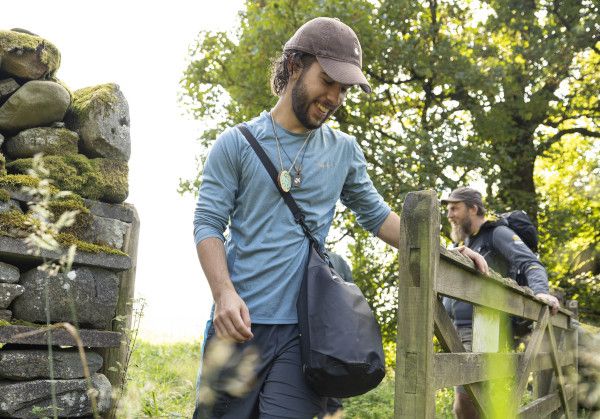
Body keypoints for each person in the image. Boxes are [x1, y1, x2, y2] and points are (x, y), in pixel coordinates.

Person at [192, 17, 487, 418]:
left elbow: (380, 217)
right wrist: (223, 292)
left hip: (307, 332)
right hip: (238, 326)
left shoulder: (344, 150)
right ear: (295, 65)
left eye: (344, 89)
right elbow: (207, 222)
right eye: (328, 81)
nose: (334, 97)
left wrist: (449, 251)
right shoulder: (236, 144)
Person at [441, 187, 560, 419]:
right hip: (459, 329)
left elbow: (530, 263)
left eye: (454, 208)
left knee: (467, 404)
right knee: (470, 404)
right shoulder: (470, 242)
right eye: (448, 209)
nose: (449, 214)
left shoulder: (496, 234)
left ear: (473, 208)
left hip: (483, 329)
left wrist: (541, 292)